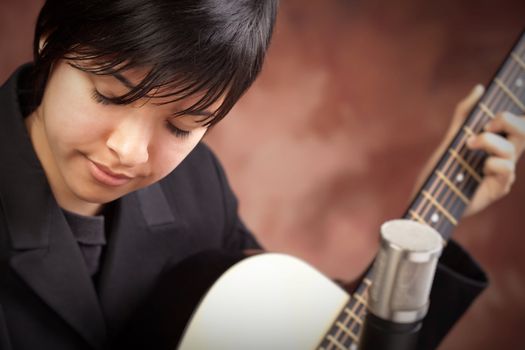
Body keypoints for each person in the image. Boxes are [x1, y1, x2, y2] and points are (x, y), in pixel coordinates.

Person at [0, 0, 523, 349]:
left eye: (182, 126)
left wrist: (424, 232)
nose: (128, 150)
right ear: (50, 39)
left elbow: (301, 336)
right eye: (109, 94)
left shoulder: (196, 185)